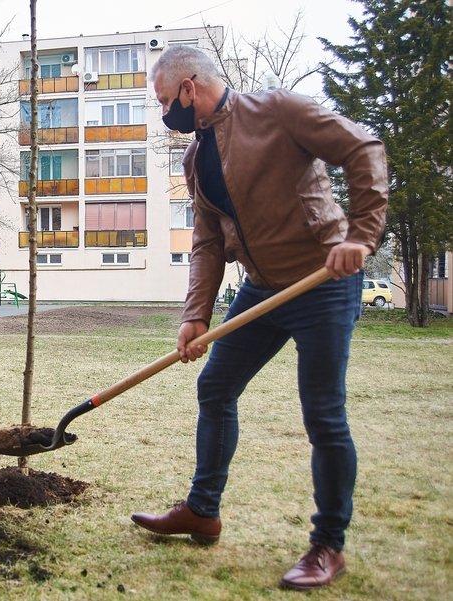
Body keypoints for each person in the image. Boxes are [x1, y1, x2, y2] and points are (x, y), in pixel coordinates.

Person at [131, 46, 388, 590]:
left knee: (323, 414)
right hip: (262, 288)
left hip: (323, 280)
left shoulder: (277, 111)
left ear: (188, 88)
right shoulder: (196, 157)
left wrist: (360, 236)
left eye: (162, 101)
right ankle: (203, 511)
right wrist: (195, 316)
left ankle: (328, 546)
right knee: (215, 386)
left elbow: (363, 147)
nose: (163, 115)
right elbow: (205, 242)